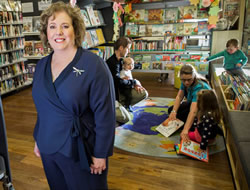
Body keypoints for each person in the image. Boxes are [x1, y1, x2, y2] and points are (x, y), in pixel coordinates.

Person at [32, 2, 116, 190]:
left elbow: (106, 114)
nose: (58, 32)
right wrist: (39, 138)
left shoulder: (94, 65)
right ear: (46, 32)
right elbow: (43, 108)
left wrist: (101, 153)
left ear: (76, 30)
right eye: (52, 26)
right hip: (49, 149)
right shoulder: (41, 66)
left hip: (81, 150)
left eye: (65, 26)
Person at [106, 37, 148, 122]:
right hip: (112, 97)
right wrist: (133, 82)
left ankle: (124, 106)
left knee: (143, 93)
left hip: (121, 91)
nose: (128, 51)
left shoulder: (121, 61)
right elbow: (119, 82)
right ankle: (115, 112)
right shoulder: (112, 63)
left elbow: (125, 78)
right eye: (127, 48)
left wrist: (135, 84)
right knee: (126, 118)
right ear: (121, 48)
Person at [168, 64, 211, 142]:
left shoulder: (200, 87)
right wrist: (173, 111)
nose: (186, 83)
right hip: (192, 103)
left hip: (203, 110)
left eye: (189, 80)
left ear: (194, 76)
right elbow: (179, 97)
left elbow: (193, 111)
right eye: (183, 80)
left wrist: (185, 130)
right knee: (171, 110)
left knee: (187, 123)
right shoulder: (185, 81)